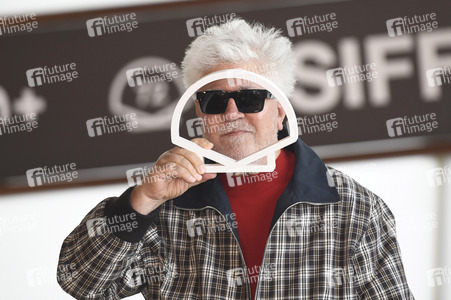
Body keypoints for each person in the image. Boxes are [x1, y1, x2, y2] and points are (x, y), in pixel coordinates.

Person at [57, 19, 415, 299]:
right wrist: (141, 201)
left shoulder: (355, 209)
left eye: (250, 98)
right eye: (215, 101)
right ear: (200, 113)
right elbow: (81, 282)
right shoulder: (165, 204)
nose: (231, 112)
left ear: (280, 112)